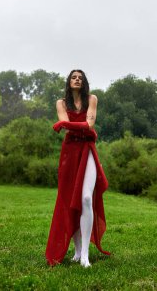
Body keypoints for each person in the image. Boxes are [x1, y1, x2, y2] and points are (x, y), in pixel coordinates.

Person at [45, 69, 110, 267]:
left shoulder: (92, 99)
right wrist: (66, 123)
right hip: (69, 153)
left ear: (84, 82)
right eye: (74, 77)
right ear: (68, 81)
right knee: (69, 200)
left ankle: (85, 256)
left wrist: (66, 123)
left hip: (87, 150)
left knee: (86, 198)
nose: (77, 80)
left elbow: (89, 124)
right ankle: (77, 250)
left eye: (80, 78)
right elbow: (65, 124)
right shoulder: (61, 103)